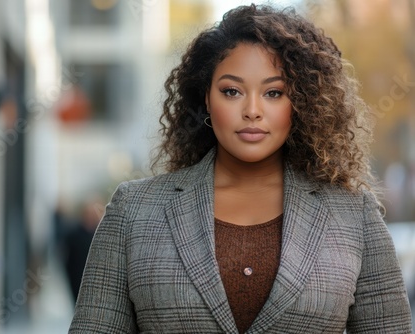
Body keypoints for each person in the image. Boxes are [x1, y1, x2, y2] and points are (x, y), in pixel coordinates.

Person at [69, 4, 413, 333]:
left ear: (302, 102)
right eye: (232, 91)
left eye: (274, 93)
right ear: (206, 97)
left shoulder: (354, 216)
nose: (252, 110)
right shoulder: (134, 210)